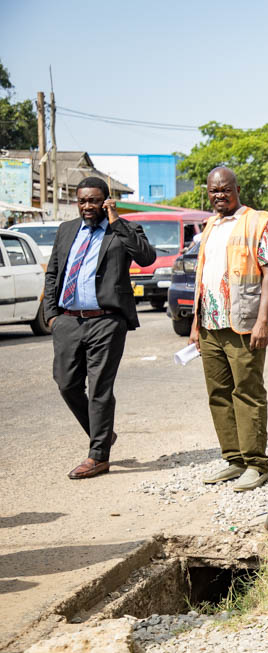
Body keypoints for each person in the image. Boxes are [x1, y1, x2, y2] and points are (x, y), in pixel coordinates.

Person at [43, 176, 155, 479]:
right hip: (68, 320)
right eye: (83, 201)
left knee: (99, 389)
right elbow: (54, 272)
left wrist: (115, 220)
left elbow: (146, 257)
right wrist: (52, 316)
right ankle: (102, 434)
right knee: (66, 384)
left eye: (94, 200)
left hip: (106, 320)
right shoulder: (67, 230)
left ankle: (98, 456)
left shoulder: (124, 228)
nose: (87, 206)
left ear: (106, 201)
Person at [190, 167, 268, 492]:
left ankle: (256, 464)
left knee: (248, 393)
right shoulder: (210, 225)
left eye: (225, 189)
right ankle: (234, 460)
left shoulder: (258, 221)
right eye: (214, 191)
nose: (219, 196)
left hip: (242, 324)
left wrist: (262, 321)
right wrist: (195, 324)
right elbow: (203, 276)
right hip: (209, 324)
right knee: (218, 394)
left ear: (237, 189)